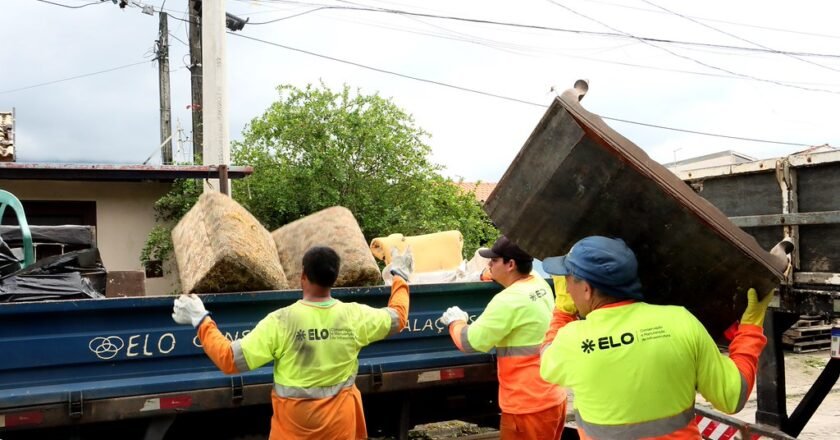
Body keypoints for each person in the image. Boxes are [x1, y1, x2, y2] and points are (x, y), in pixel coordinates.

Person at [540, 236, 774, 439]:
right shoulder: (681, 321)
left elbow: (547, 363)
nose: (567, 289)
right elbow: (732, 397)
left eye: (568, 280)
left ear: (587, 288)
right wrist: (751, 328)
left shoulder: (571, 340)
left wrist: (562, 312)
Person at [171, 246, 411, 440]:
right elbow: (398, 317)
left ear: (303, 276)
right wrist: (399, 277)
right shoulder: (354, 316)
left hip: (294, 430)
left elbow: (229, 360)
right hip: (341, 428)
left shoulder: (281, 322)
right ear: (334, 278)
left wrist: (200, 319)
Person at [439, 236, 566, 440]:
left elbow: (469, 342)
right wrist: (484, 275)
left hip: (526, 405)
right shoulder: (537, 281)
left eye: (494, 260)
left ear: (511, 264)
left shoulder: (509, 300)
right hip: (551, 397)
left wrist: (457, 321)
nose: (489, 264)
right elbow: (504, 273)